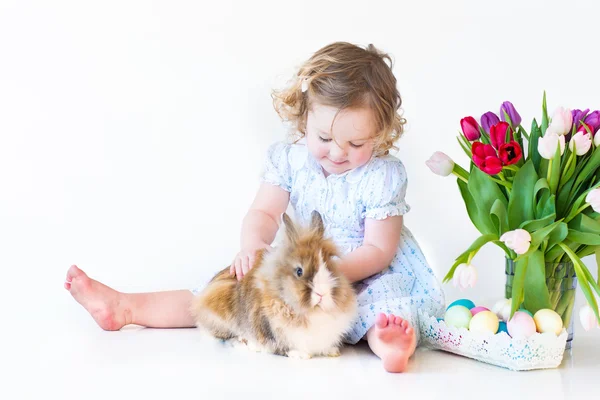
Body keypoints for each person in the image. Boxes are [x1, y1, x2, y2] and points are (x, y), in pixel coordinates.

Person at [65, 41, 445, 373]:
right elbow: (264, 213)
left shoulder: (382, 175)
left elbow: (379, 250)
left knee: (384, 304)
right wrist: (254, 247)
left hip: (360, 272)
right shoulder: (292, 160)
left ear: (380, 132)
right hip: (300, 268)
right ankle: (126, 308)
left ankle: (389, 344)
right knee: (225, 293)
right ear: (304, 118)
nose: (337, 152)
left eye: (356, 143)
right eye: (325, 137)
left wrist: (331, 274)